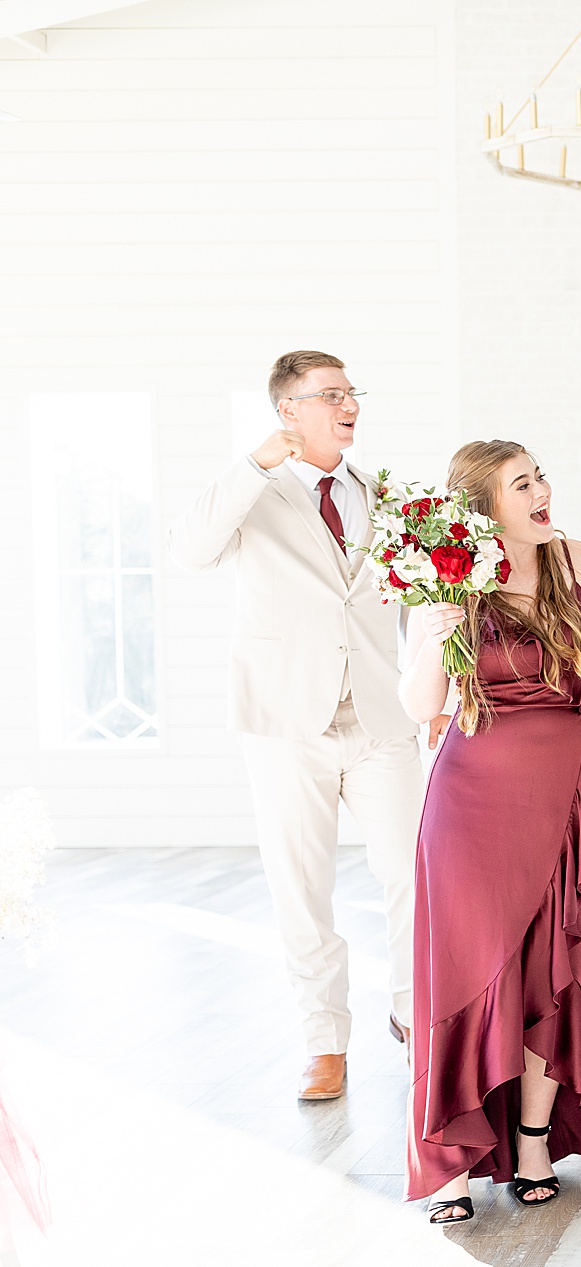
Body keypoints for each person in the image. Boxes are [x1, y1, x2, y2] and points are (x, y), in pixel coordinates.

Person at [401, 440, 581, 1225]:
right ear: (484, 504)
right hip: (470, 798)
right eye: (522, 483)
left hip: (571, 784)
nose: (542, 491)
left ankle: (533, 1141)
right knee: (464, 977)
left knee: (556, 971)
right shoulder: (452, 572)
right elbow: (418, 704)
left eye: (540, 477)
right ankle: (450, 1159)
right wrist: (435, 620)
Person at [170, 350, 422, 1102]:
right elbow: (190, 550)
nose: (350, 405)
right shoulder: (256, 491)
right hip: (285, 719)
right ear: (289, 409)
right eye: (332, 394)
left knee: (414, 873)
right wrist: (253, 463)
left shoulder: (383, 494)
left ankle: (416, 1019)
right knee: (301, 886)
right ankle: (324, 1042)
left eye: (353, 392)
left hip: (381, 715)